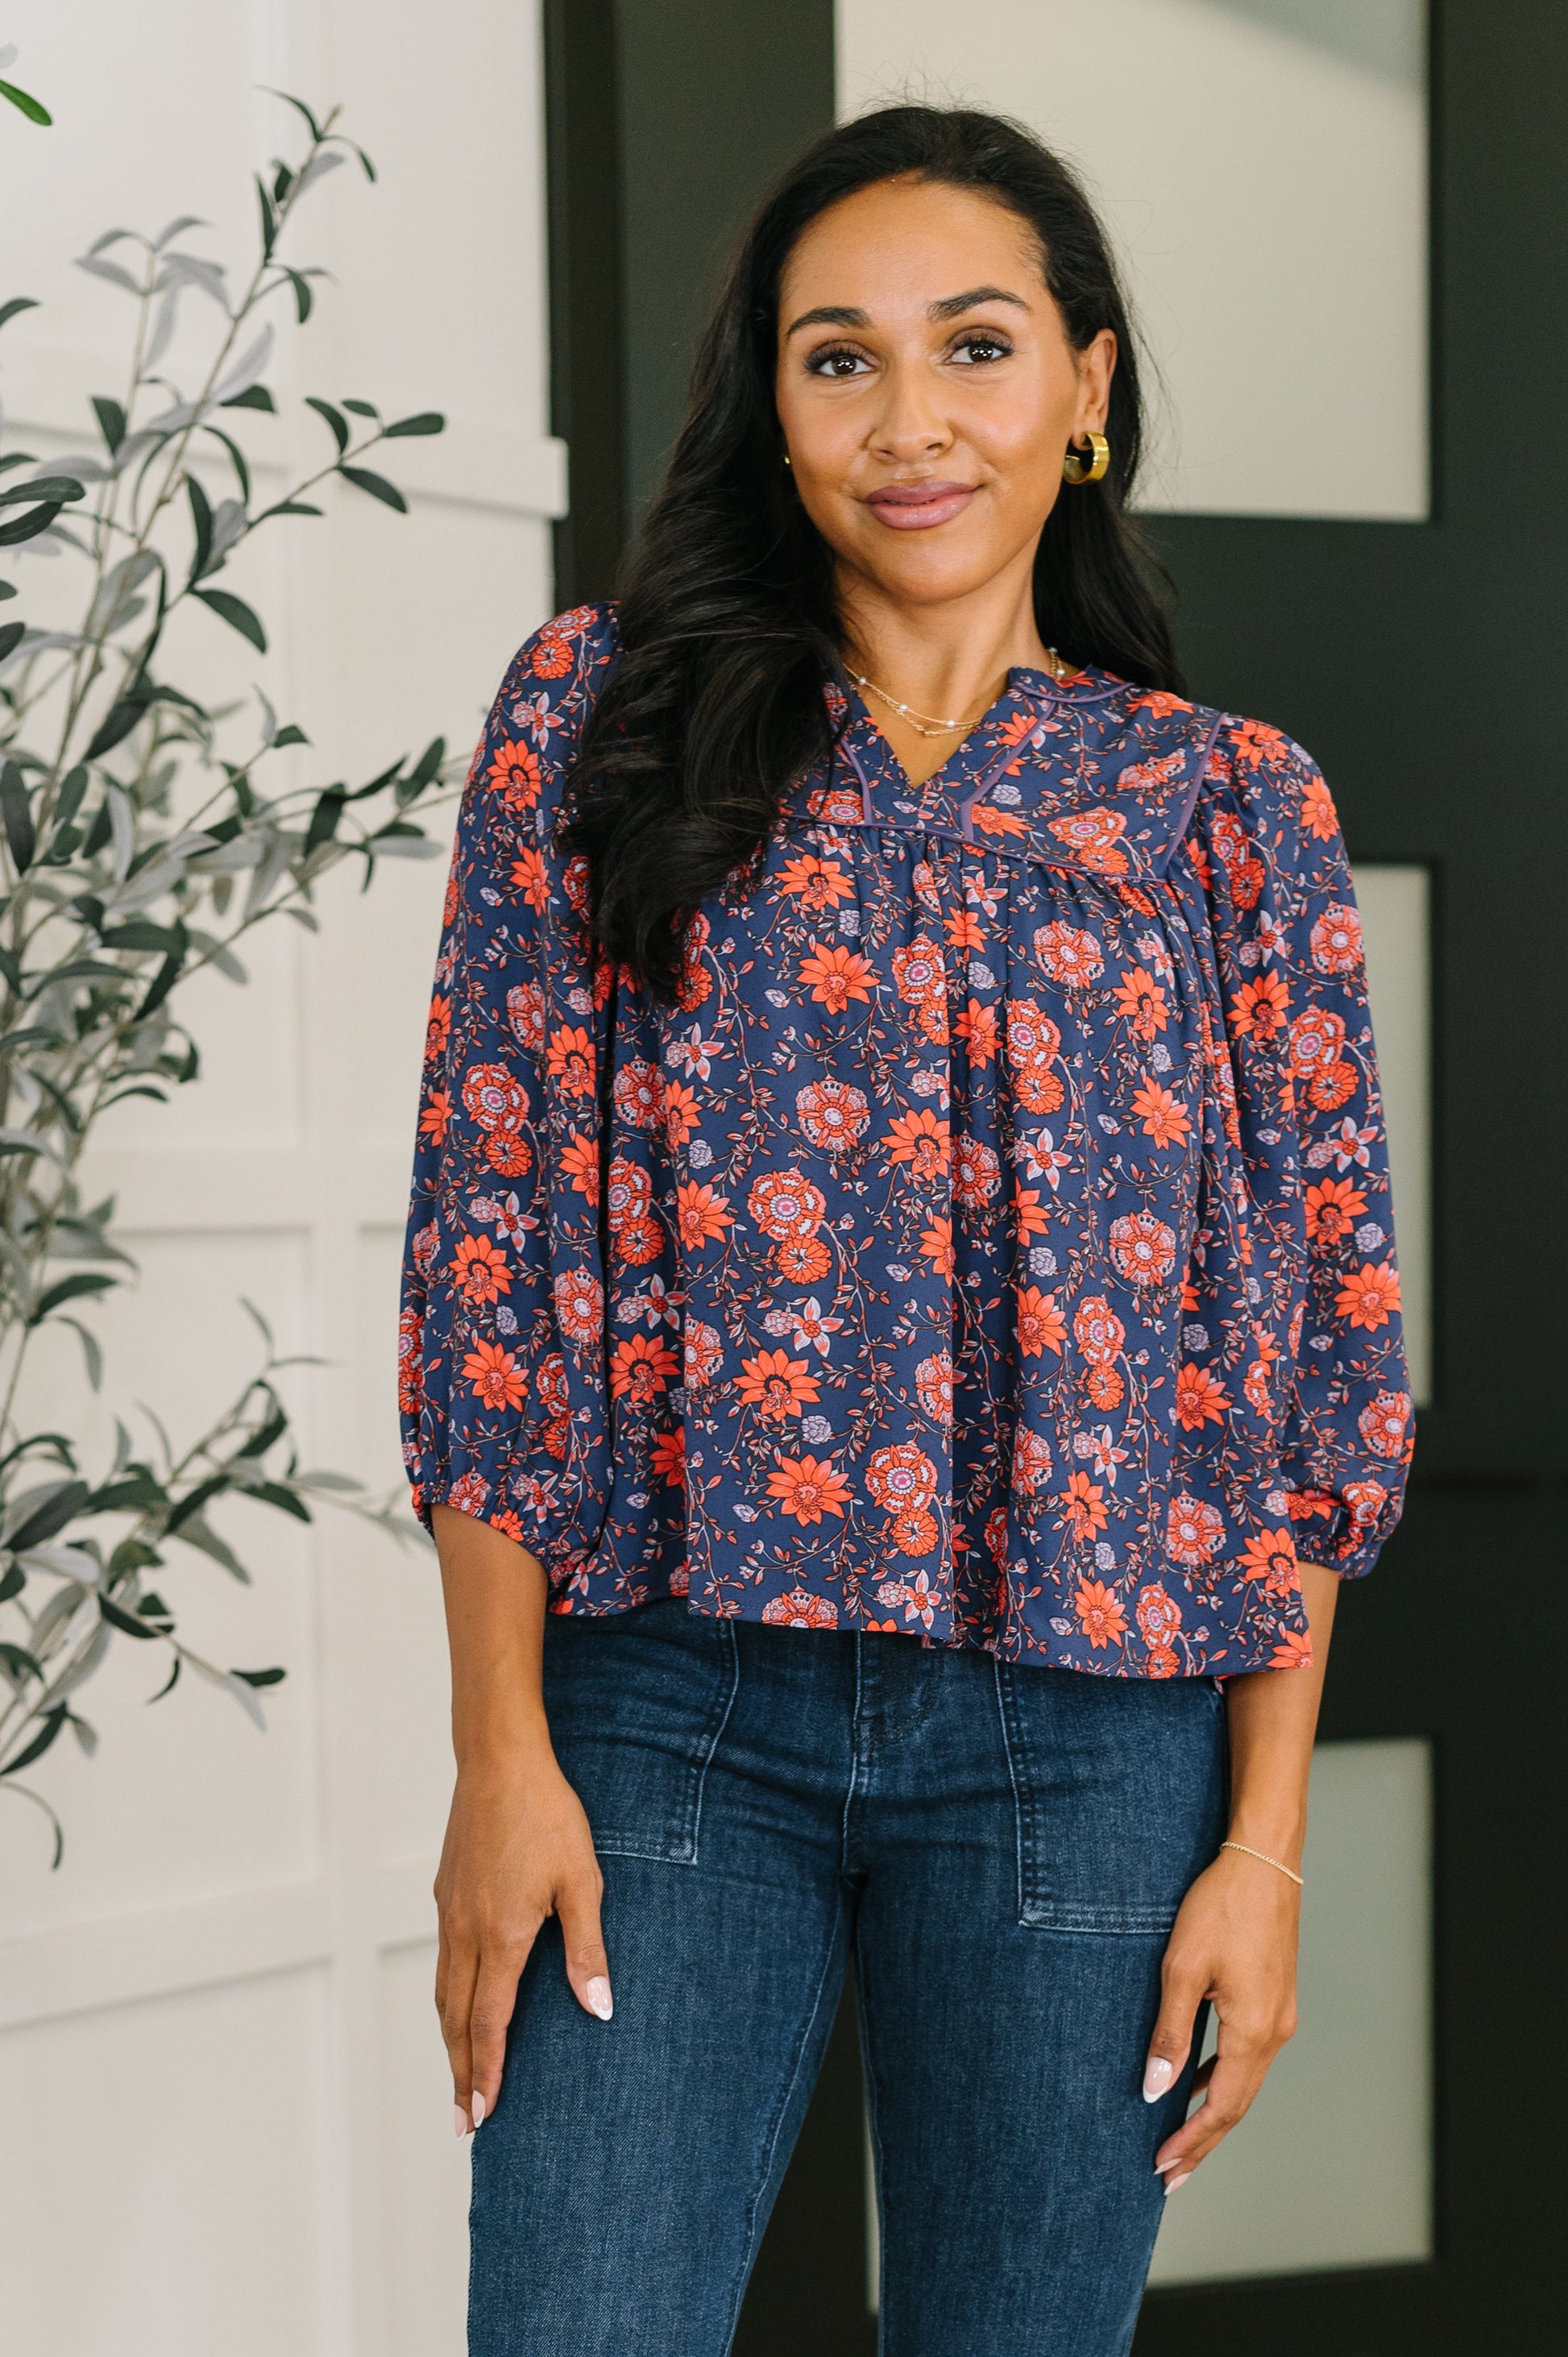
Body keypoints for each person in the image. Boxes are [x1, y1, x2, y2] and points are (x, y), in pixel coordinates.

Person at [399, 104, 1411, 2357]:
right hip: (661, 1714)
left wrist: (1260, 1848)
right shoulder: (597, 724)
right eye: (835, 359)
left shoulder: (1228, 810)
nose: (909, 419)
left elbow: (1311, 1356)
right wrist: (499, 1755)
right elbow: (491, 1265)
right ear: (770, 411)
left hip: (1087, 1732)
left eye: (973, 346)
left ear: (1087, 389)